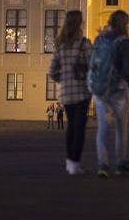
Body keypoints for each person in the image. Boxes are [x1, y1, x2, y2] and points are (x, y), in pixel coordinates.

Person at [89, 10, 129, 178]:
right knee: (121, 128)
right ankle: (119, 164)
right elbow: (127, 68)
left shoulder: (99, 39)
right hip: (118, 90)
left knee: (102, 127)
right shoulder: (124, 42)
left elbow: (93, 62)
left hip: (100, 90)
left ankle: (103, 164)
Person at [48, 10, 93, 175]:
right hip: (82, 91)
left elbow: (52, 72)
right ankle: (75, 163)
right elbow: (93, 66)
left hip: (66, 93)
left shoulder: (60, 45)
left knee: (71, 127)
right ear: (79, 23)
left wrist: (64, 79)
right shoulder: (84, 44)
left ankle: (69, 162)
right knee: (79, 128)